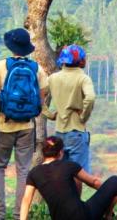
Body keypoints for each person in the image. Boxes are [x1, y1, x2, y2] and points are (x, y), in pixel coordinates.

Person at [0, 28, 49, 220]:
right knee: (23, 171)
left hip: (5, 125)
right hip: (27, 127)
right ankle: (18, 215)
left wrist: (6, 107)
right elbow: (42, 97)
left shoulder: (0, 66)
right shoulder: (36, 68)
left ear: (11, 47)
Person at [20, 136, 117, 220]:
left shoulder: (33, 173)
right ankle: (107, 216)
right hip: (84, 216)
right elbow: (94, 182)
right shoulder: (69, 165)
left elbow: (26, 200)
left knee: (76, 180)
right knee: (115, 180)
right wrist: (113, 195)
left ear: (43, 153)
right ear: (60, 152)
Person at [46, 44, 95, 193]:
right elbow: (91, 97)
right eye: (83, 57)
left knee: (61, 175)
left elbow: (39, 96)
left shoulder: (53, 78)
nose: (85, 60)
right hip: (77, 133)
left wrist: (50, 114)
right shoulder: (83, 78)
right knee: (77, 174)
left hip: (59, 133)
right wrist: (83, 116)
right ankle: (75, 209)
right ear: (79, 61)